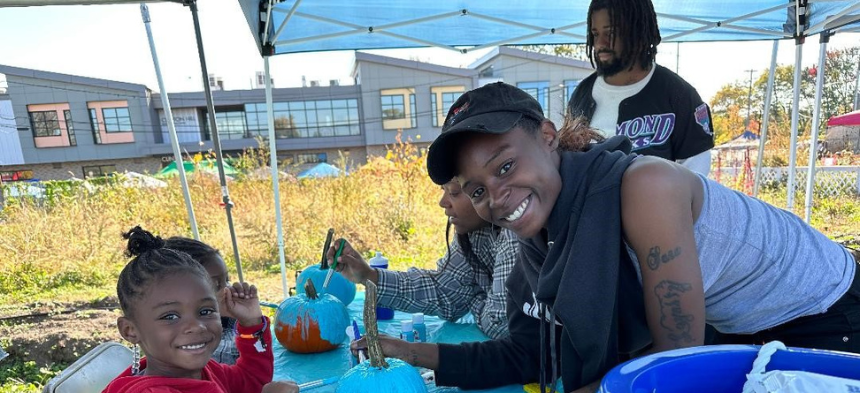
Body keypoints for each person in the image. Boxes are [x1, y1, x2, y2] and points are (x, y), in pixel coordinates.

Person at [353, 82, 860, 393]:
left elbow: (673, 364)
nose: (497, 197)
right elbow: (525, 352)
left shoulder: (645, 187)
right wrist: (407, 353)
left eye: (505, 166)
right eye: (477, 190)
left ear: (548, 138)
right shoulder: (539, 243)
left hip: (825, 314)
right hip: (741, 329)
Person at [103, 226, 297, 393]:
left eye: (205, 311)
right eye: (170, 316)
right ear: (130, 330)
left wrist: (251, 325)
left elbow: (252, 383)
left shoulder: (206, 371)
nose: (196, 327)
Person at [327, 180, 518, 339]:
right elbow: (447, 294)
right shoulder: (473, 232)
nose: (442, 202)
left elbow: (499, 324)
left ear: (483, 189)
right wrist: (369, 276)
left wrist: (475, 299)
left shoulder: (514, 234)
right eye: (443, 190)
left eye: (453, 192)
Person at [567, 0, 714, 176]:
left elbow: (696, 177)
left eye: (611, 33)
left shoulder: (679, 95)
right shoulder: (582, 94)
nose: (600, 44)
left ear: (636, 32)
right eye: (595, 34)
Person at [164, 237, 239, 365]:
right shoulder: (197, 339)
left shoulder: (233, 322)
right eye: (215, 285)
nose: (228, 289)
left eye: (226, 280)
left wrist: (251, 324)